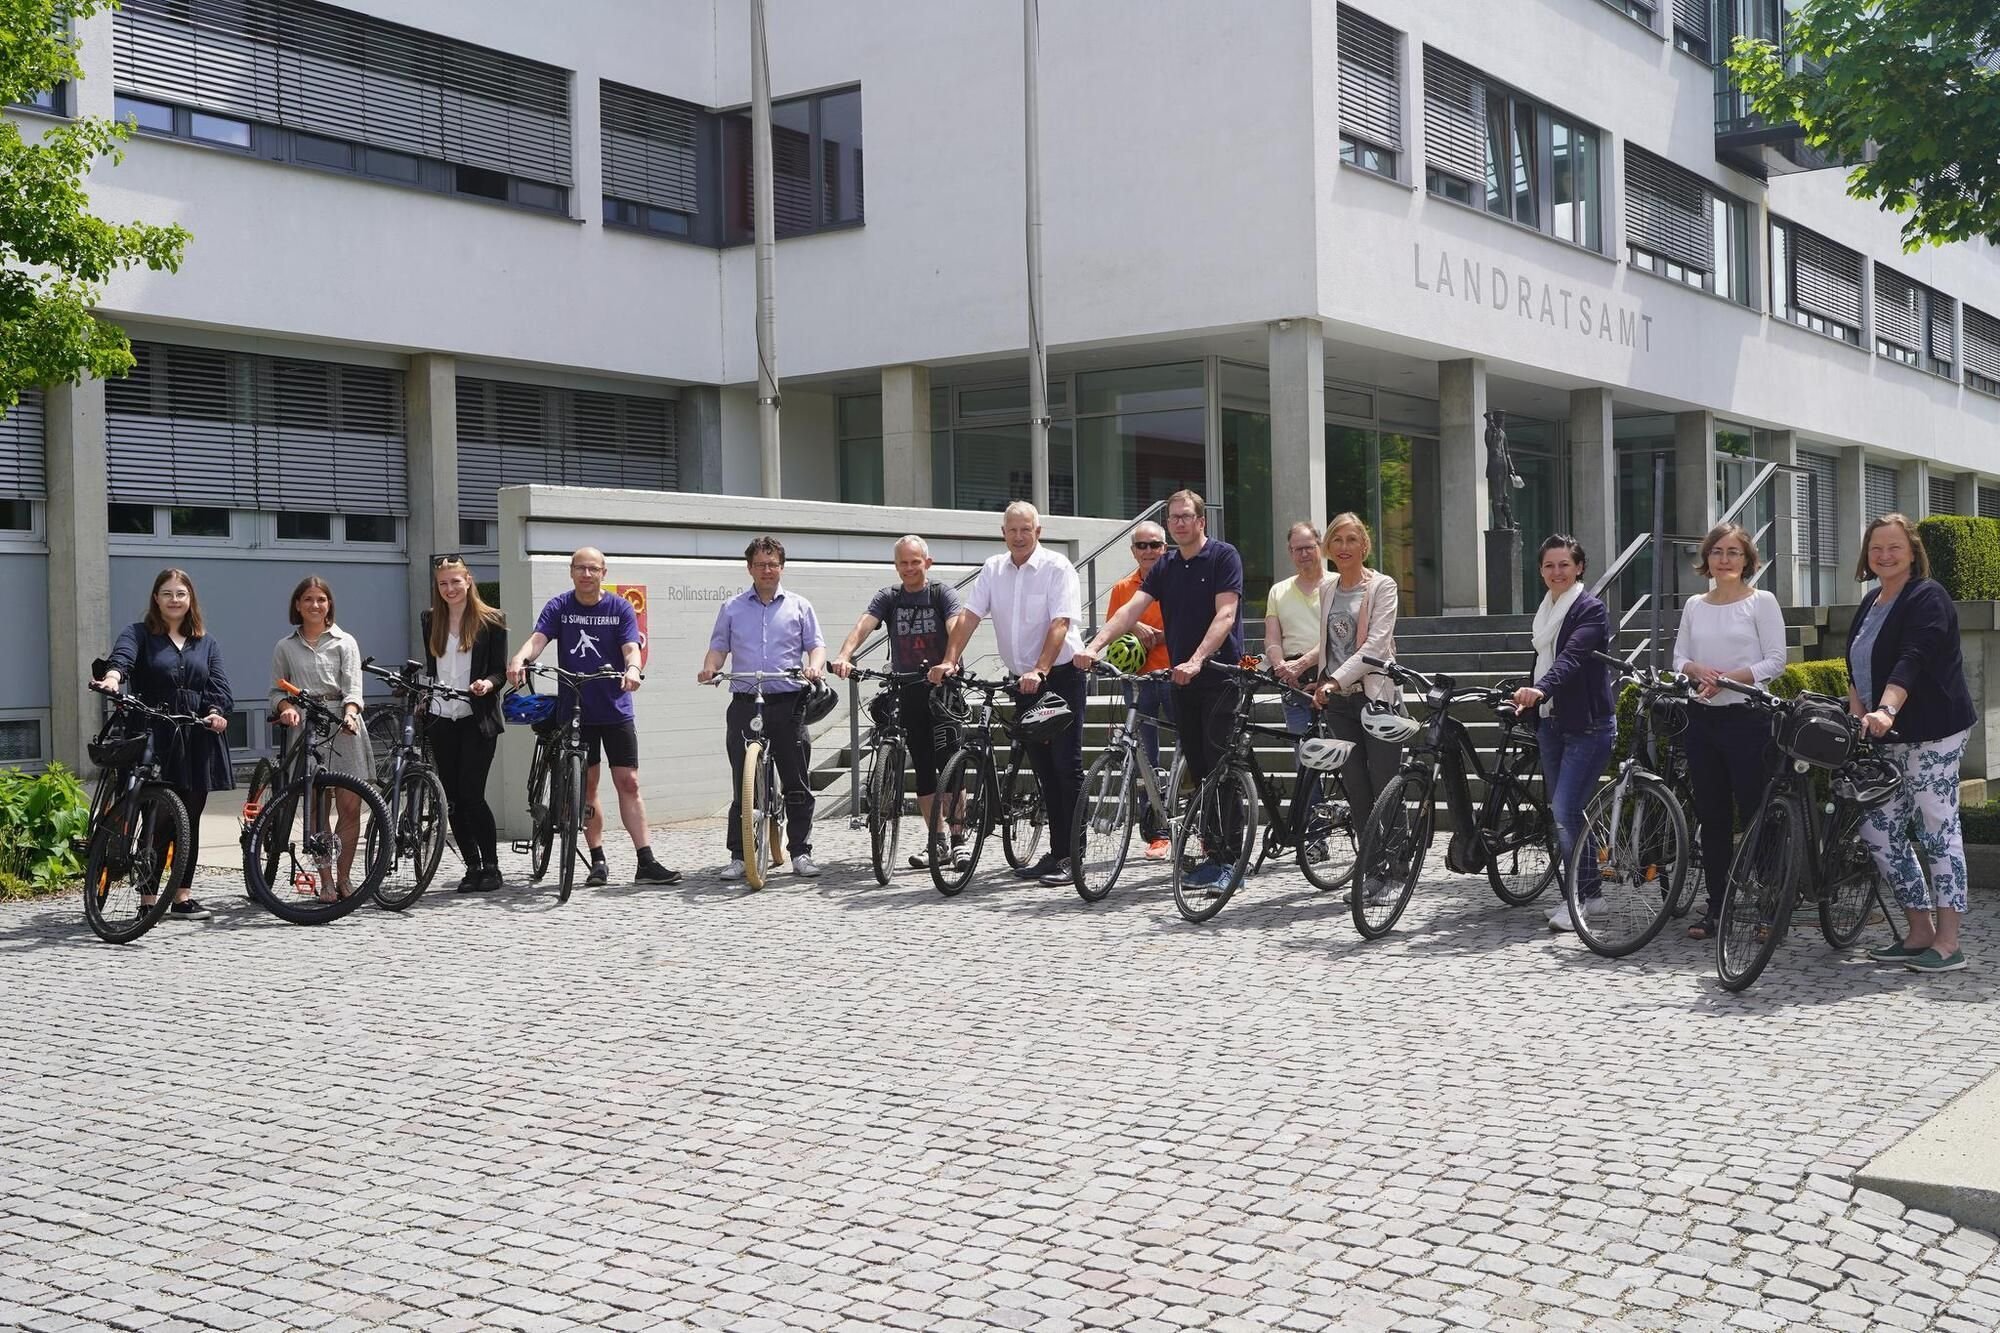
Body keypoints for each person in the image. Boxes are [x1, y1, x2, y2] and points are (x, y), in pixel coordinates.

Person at [1076, 490, 1244, 892]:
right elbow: (1129, 610)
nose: (1180, 523)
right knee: (1201, 771)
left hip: (1217, 677)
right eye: (1174, 518)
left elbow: (1226, 613)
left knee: (1218, 769)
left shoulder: (1223, 557)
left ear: (1201, 521)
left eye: (1187, 517)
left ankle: (1230, 862)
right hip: (1179, 679)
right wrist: (1094, 646)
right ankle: (1213, 854)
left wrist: (1198, 658)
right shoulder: (1166, 565)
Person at [1847, 514, 1978, 973]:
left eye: (1894, 547)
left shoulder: (1928, 597)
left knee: (1937, 829)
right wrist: (1858, 713)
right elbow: (1856, 667)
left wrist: (1886, 709)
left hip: (1933, 731)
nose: (1884, 555)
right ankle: (1917, 930)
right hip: (1884, 737)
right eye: (1876, 547)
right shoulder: (1870, 602)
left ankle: (1948, 943)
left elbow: (1912, 659)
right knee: (1878, 831)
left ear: (1912, 551)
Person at [931, 501, 1087, 886]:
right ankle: (1056, 853)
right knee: (1044, 770)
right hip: (1023, 683)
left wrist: (1041, 669)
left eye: (1026, 529)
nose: (1019, 536)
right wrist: (949, 659)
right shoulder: (993, 569)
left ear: (1039, 531)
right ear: (1003, 533)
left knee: (1066, 766)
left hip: (1061, 676)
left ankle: (1076, 857)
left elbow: (1060, 623)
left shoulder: (1057, 567)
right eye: (1012, 530)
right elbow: (968, 616)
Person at [508, 547, 680, 887]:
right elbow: (539, 639)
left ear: (604, 572)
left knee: (628, 782)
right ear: (571, 572)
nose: (586, 575)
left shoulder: (619, 607)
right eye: (580, 569)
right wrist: (520, 658)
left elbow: (632, 647)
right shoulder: (560, 606)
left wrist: (632, 668)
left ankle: (645, 860)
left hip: (615, 708)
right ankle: (597, 860)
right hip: (575, 709)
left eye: (593, 569)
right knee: (585, 785)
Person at [95, 568, 233, 919]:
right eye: (167, 593)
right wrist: (112, 678)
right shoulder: (139, 634)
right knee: (156, 818)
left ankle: (182, 896)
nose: (174, 599)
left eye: (181, 594)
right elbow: (121, 659)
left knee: (189, 819)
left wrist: (216, 711)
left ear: (190, 600)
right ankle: (148, 900)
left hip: (195, 734)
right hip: (154, 733)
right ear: (156, 598)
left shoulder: (206, 642)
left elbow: (218, 687)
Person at [1671, 523, 1786, 941]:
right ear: (1707, 559)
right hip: (1702, 720)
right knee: (1712, 818)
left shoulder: (1762, 602)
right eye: (1718, 551)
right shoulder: (1694, 605)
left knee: (1759, 816)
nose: (1725, 559)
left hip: (1748, 719)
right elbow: (1678, 656)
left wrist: (1729, 679)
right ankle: (1717, 908)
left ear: (1747, 559)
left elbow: (1775, 661)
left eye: (1734, 552)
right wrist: (1696, 670)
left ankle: (1771, 907)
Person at [698, 536, 827, 880]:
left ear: (781, 567)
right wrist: (710, 668)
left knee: (796, 779)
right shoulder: (732, 607)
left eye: (772, 564)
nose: (767, 570)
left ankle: (800, 851)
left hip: (787, 701)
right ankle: (740, 855)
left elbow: (816, 646)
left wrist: (815, 666)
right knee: (744, 780)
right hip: (744, 700)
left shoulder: (800, 606)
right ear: (749, 568)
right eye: (760, 564)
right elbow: (718, 647)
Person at [830, 536, 963, 868]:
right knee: (922, 768)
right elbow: (865, 624)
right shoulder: (889, 597)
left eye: (915, 562)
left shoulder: (941, 594)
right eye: (903, 563)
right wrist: (845, 656)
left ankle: (960, 840)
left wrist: (949, 661)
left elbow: (955, 625)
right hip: (908, 688)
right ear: (896, 565)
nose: (909, 568)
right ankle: (938, 840)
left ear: (927, 563)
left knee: (951, 764)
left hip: (942, 689)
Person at [1509, 535, 1614, 933]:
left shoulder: (1590, 609)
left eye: (1564, 565)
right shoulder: (1546, 610)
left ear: (1579, 567)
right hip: (1551, 724)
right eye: (1550, 566)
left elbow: (1571, 658)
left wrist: (1542, 689)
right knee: (1567, 814)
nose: (1557, 572)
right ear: (1541, 571)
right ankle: (1590, 894)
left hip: (1587, 725)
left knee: (1566, 811)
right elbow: (1541, 660)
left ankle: (1581, 899)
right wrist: (1526, 693)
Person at [1309, 513, 1405, 890]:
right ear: (1328, 548)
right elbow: (1330, 643)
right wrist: (1313, 672)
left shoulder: (1383, 586)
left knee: (1385, 784)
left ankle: (1398, 866)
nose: (1344, 547)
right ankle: (1373, 868)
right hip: (1339, 703)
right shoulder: (1328, 588)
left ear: (1365, 545)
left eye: (1352, 540)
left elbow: (1376, 645)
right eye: (1337, 540)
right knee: (1357, 789)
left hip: (1375, 698)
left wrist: (1334, 679)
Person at [270, 575, 371, 900]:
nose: (315, 605)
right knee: (317, 808)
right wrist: (285, 707)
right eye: (308, 600)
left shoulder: (346, 642)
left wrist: (351, 713)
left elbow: (353, 686)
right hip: (307, 725)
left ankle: (344, 877)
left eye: (321, 599)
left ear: (329, 605)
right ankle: (325, 881)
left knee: (350, 807)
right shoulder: (285, 646)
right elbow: (276, 690)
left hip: (343, 724)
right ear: (297, 606)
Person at [423, 557, 509, 893]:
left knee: (473, 794)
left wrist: (487, 684)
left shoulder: (492, 620)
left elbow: (500, 671)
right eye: (443, 584)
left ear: (468, 580)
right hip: (441, 716)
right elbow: (432, 668)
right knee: (453, 798)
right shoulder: (431, 619)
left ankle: (492, 866)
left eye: (455, 582)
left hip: (477, 718)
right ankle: (471, 866)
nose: (449, 589)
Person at [1106, 519, 1173, 858]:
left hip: (1175, 675)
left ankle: (1197, 821)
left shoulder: (1178, 580)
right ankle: (1156, 832)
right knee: (1144, 756)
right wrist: (1135, 624)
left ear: (1165, 547)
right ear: (1133, 550)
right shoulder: (1122, 588)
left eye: (1155, 545)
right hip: (1137, 679)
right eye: (1142, 546)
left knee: (1191, 750)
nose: (1148, 551)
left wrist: (1162, 635)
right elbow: (1113, 627)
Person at [1266, 521, 1328, 738]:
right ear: (1290, 552)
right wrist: (1281, 667)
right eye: (1297, 549)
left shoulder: (1338, 585)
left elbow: (1337, 637)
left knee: (1340, 758)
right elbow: (1272, 638)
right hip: (1293, 684)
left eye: (1309, 547)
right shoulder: (1278, 591)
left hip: (1331, 679)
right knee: (1303, 756)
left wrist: (1302, 664)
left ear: (1320, 546)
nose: (1303, 554)